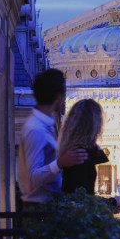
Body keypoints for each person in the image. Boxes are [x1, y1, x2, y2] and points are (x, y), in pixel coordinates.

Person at [17, 69, 87, 204]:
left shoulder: (44, 126)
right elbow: (32, 178)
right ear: (58, 97)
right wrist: (60, 163)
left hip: (45, 206)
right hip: (39, 210)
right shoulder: (36, 129)